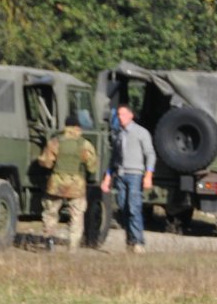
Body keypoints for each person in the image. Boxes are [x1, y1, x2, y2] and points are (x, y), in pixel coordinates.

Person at [37, 114, 98, 250]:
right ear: (78, 127)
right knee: (76, 215)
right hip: (77, 185)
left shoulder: (55, 141)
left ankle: (49, 242)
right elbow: (92, 166)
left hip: (56, 184)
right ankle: (73, 247)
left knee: (51, 213)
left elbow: (46, 163)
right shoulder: (85, 144)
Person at [100, 104, 155, 252]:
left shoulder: (141, 133)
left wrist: (148, 175)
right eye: (118, 115)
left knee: (134, 207)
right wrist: (107, 178)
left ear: (131, 115)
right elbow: (114, 159)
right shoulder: (118, 134)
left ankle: (138, 242)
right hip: (120, 175)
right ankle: (130, 241)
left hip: (135, 175)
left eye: (123, 114)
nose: (120, 117)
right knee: (123, 207)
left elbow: (150, 154)